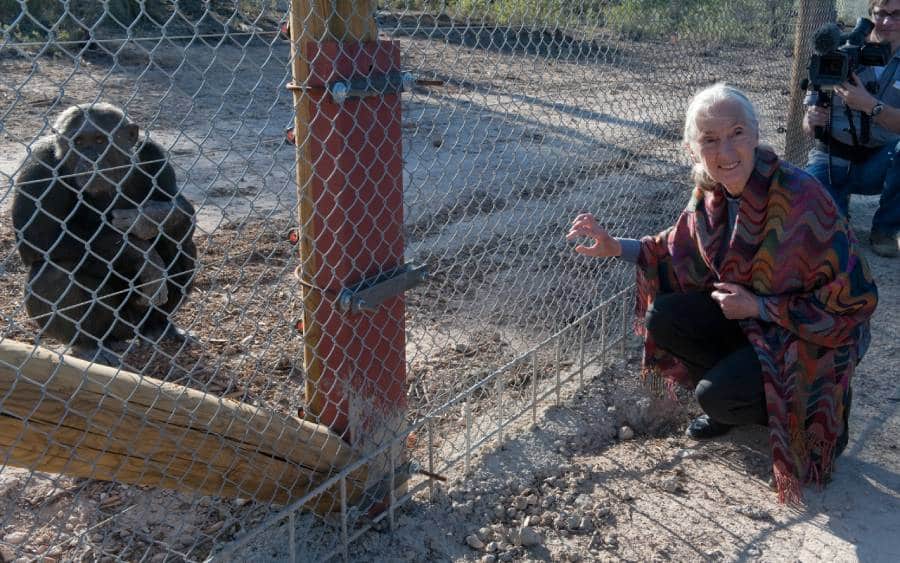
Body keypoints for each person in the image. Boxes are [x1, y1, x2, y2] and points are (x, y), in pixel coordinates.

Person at [567, 84, 878, 502]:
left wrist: (761, 306)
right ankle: (743, 396)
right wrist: (613, 247)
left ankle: (810, 417)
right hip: (751, 321)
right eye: (710, 139)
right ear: (692, 149)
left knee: (716, 397)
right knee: (665, 317)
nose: (725, 150)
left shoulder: (802, 199)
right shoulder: (710, 194)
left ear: (756, 134)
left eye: (736, 133)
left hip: (812, 338)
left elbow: (854, 301)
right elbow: (671, 248)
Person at [804, 0, 900, 257]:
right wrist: (811, 121)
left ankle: (886, 229)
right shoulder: (839, 51)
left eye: (897, 14)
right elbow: (808, 123)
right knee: (824, 240)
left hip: (878, 163)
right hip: (830, 158)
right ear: (871, 14)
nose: (887, 21)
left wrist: (869, 105)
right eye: (881, 13)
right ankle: (838, 208)